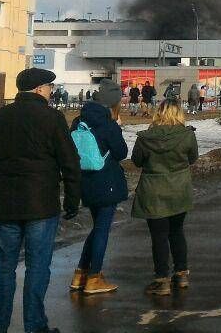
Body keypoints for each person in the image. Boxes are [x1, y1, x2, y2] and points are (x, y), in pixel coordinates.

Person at [0, 67, 80, 333]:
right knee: (38, 266)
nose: (52, 92)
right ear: (39, 89)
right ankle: (35, 326)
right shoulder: (52, 119)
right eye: (50, 88)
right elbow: (70, 162)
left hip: (5, 206)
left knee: (4, 267)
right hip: (41, 205)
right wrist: (72, 200)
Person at [132, 100, 199, 295]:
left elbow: (137, 161)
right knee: (177, 232)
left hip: (153, 191)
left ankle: (162, 279)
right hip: (179, 191)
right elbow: (192, 158)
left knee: (159, 236)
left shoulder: (145, 138)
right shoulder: (187, 135)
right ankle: (181, 273)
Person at [70, 82, 129, 295]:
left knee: (97, 228)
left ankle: (80, 274)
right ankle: (94, 278)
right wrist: (117, 128)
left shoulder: (79, 121)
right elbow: (121, 152)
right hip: (106, 183)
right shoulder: (108, 124)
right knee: (102, 229)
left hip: (85, 180)